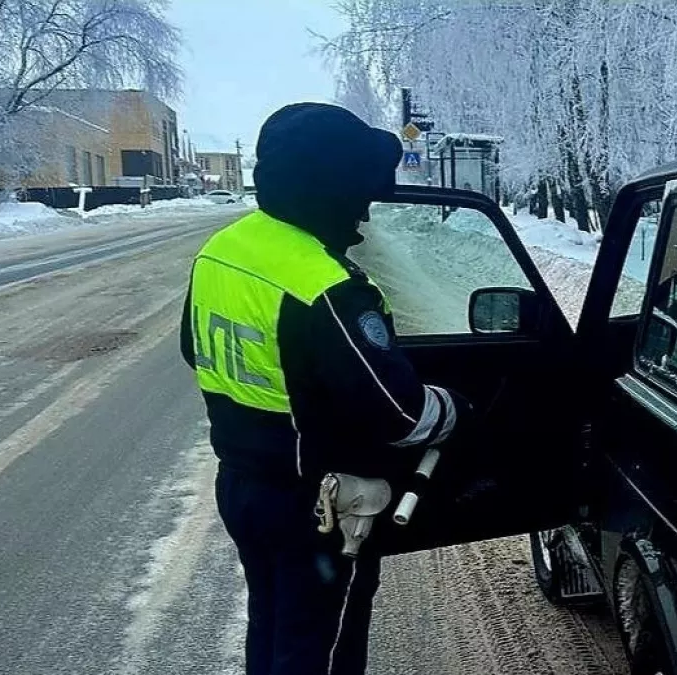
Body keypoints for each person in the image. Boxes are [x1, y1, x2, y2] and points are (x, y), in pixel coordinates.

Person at [180, 103, 470, 675]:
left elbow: (196, 350)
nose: (367, 207)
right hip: (316, 507)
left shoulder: (224, 249)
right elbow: (400, 414)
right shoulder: (326, 287)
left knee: (273, 626)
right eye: (360, 189)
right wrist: (456, 407)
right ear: (329, 189)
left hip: (241, 488)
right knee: (322, 649)